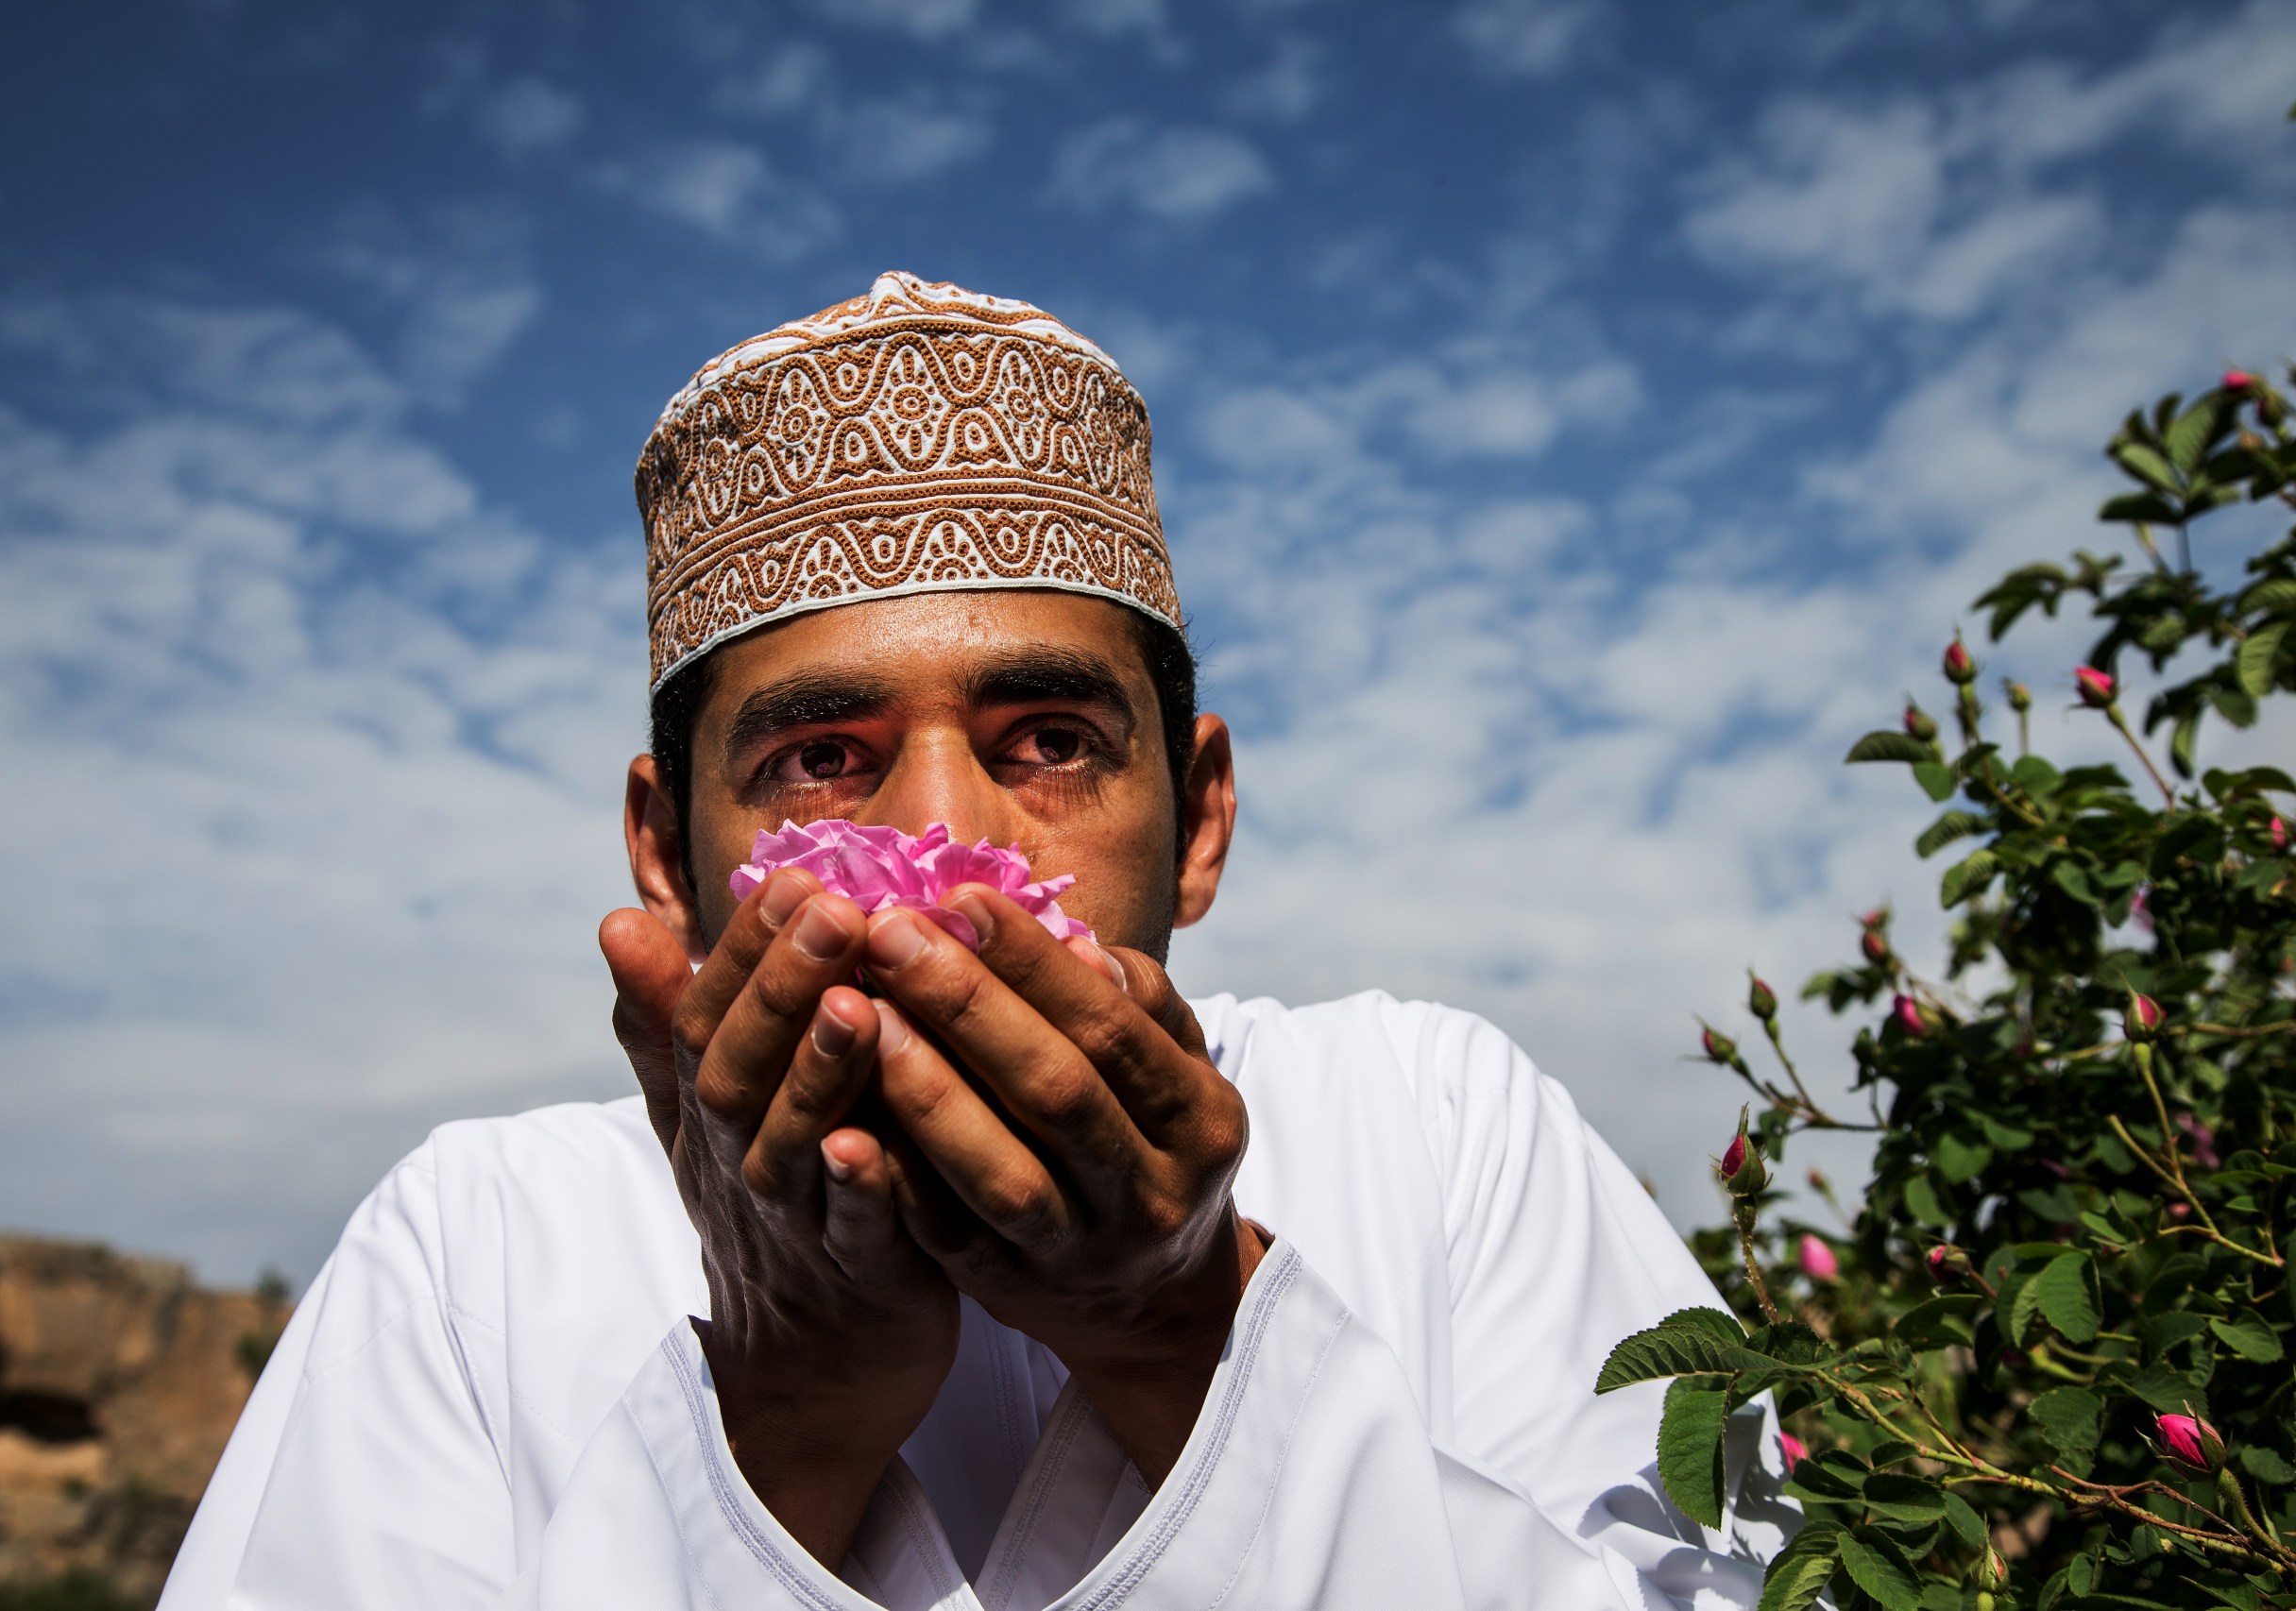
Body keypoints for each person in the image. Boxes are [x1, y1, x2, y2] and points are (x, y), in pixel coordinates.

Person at [159, 272, 1791, 1611]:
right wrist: (782, 1408)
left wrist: (1189, 1328)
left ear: (1201, 814)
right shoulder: (475, 1249)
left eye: (1052, 739)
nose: (962, 862)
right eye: (821, 759)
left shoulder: (1439, 1127)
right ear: (666, 853)